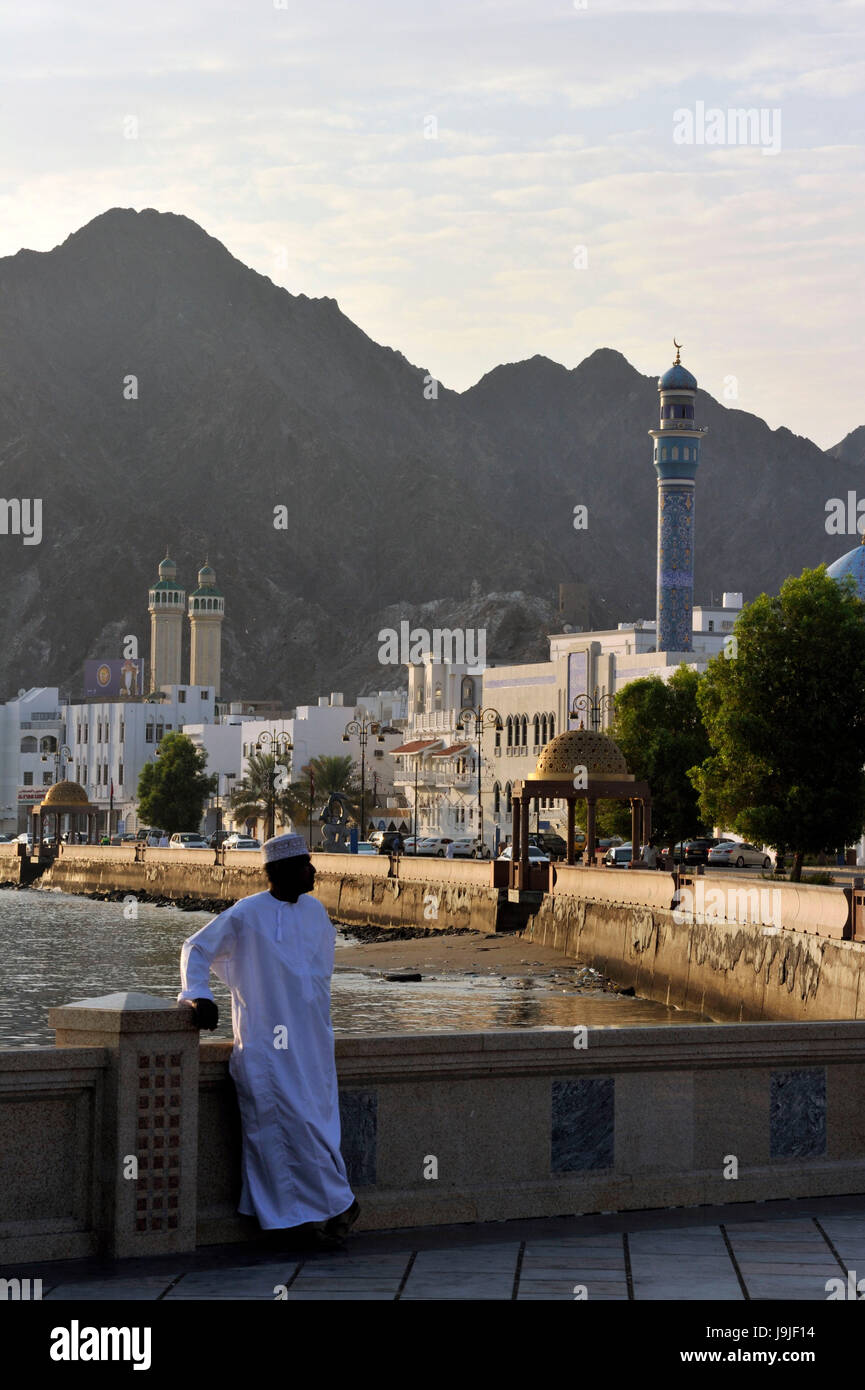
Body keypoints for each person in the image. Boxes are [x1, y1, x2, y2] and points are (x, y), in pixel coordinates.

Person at [177, 832, 358, 1246]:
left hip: (313, 1044)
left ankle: (308, 1218)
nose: (313, 871)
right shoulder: (247, 913)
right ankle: (312, 1216)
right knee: (280, 1130)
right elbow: (195, 949)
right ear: (278, 872)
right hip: (265, 1046)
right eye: (304, 865)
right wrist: (198, 996)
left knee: (314, 1126)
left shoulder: (315, 912)